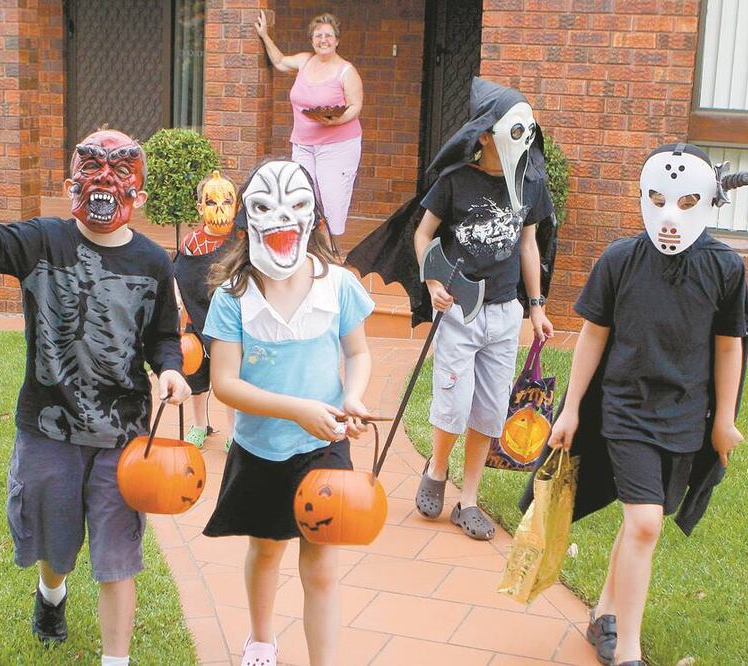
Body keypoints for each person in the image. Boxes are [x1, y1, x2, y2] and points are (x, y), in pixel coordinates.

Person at [0, 115, 191, 664]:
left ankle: (115, 660)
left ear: (139, 195)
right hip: (49, 427)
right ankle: (52, 595)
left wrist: (170, 369)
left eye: (118, 172)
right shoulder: (42, 241)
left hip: (122, 438)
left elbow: (164, 336)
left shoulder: (152, 261)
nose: (104, 181)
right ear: (72, 183)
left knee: (117, 558)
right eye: (91, 168)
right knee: (56, 544)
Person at [542, 143, 748, 666]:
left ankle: (605, 613)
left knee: (642, 518)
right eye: (657, 199)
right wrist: (571, 408)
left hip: (685, 414)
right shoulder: (619, 259)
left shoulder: (725, 267)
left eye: (685, 202)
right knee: (645, 524)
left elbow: (730, 345)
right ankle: (629, 652)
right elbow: (593, 335)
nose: (669, 214)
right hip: (626, 409)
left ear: (709, 199)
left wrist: (724, 420)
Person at [349, 78, 557, 541]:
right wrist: (432, 281)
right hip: (459, 311)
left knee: (489, 412)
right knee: (454, 404)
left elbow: (529, 246)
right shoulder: (455, 181)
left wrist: (536, 306)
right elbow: (422, 234)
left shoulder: (530, 182)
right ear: (486, 135)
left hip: (504, 314)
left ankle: (470, 500)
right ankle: (438, 468)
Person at [201, 159, 375, 666]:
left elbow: (358, 353)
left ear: (312, 218)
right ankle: (261, 640)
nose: (280, 217)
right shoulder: (233, 297)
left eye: (295, 204)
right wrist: (297, 410)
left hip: (323, 447)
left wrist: (352, 398)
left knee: (322, 566)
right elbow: (224, 384)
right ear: (246, 220)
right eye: (265, 206)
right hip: (261, 449)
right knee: (267, 549)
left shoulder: (337, 285)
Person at [254, 11, 363, 238]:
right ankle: (309, 248)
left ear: (337, 40)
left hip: (337, 146)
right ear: (312, 40)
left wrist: (335, 120)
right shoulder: (304, 61)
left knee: (331, 201)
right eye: (318, 35)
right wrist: (264, 35)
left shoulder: (346, 70)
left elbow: (355, 106)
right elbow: (279, 61)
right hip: (303, 145)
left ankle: (330, 249)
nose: (323, 40)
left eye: (328, 35)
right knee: (302, 196)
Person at [174, 170, 239, 448]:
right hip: (195, 320)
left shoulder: (240, 241)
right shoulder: (190, 244)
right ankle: (200, 425)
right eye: (211, 202)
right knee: (196, 375)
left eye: (227, 202)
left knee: (230, 377)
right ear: (200, 207)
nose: (220, 209)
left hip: (230, 324)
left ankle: (234, 432)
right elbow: (182, 279)